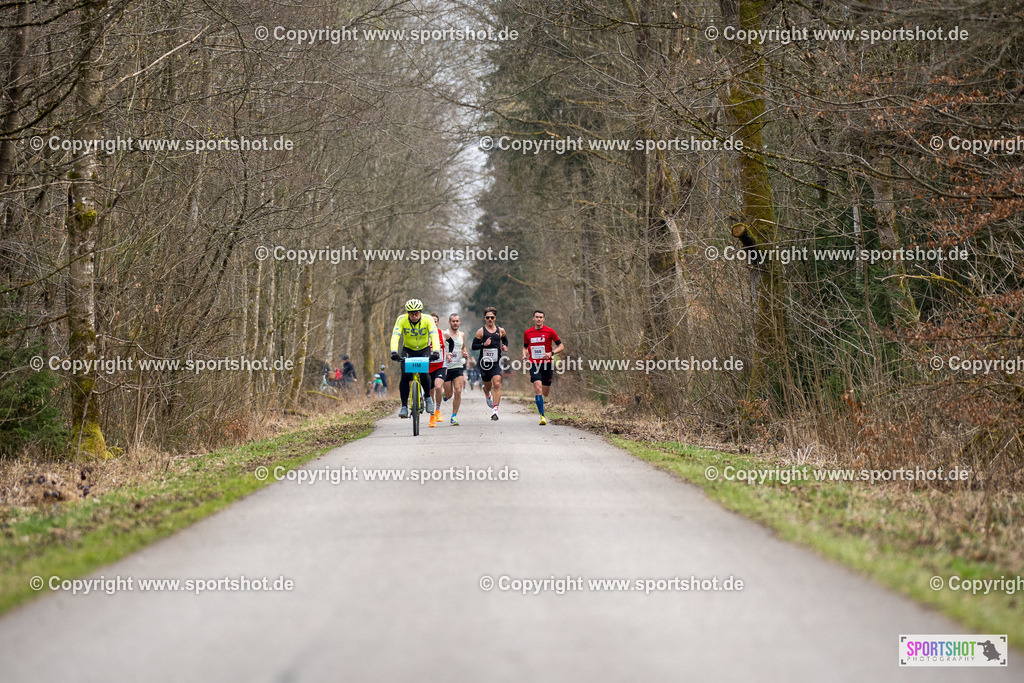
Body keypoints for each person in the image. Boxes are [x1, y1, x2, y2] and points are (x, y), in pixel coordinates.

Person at [389, 299, 441, 419]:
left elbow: (434, 335)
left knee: (424, 372)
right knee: (405, 376)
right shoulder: (401, 319)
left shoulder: (427, 319)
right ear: (407, 313)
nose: (414, 315)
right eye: (411, 313)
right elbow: (395, 336)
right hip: (408, 350)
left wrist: (436, 351)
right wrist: (394, 351)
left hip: (424, 349)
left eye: (416, 312)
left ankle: (428, 397)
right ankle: (404, 407)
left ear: (420, 312)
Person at [523, 309, 564, 425]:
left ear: (544, 319)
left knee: (545, 392)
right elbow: (525, 347)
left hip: (547, 364)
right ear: (533, 319)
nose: (538, 319)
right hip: (534, 364)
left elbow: (561, 346)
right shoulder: (528, 333)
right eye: (536, 317)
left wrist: (551, 353)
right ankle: (542, 416)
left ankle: (542, 406)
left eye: (541, 317)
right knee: (537, 388)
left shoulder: (550, 331)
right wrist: (524, 354)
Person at [472, 306, 508, 421]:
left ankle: (495, 410)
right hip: (484, 363)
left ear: (495, 318)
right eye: (488, 317)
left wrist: (505, 346)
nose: (490, 319)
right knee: (488, 386)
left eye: (492, 317)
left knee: (497, 384)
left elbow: (505, 340)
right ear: (485, 318)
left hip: (496, 362)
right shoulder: (481, 331)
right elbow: (473, 346)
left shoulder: (500, 330)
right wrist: (484, 345)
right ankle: (487, 394)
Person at [442, 312, 469, 425]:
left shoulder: (461, 334)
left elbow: (463, 347)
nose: (455, 323)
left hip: (458, 366)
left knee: (458, 390)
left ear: (459, 322)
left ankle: (454, 416)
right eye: (453, 321)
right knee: (449, 394)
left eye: (457, 321)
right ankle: (445, 395)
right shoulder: (445, 334)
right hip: (446, 367)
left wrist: (465, 353)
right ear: (449, 322)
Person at [427, 313, 447, 427]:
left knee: (438, 386)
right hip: (428, 367)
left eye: (435, 321)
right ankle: (431, 417)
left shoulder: (443, 334)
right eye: (431, 321)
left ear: (438, 322)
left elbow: (452, 342)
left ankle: (438, 410)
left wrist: (449, 353)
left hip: (440, 365)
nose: (434, 323)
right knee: (430, 393)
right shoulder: (424, 335)